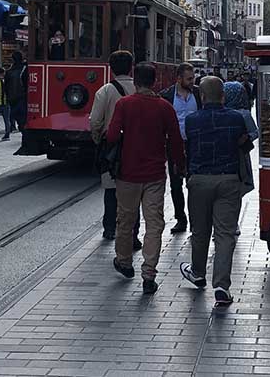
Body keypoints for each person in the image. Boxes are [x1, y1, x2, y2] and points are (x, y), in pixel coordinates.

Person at [105, 62, 185, 295]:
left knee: (126, 220)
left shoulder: (124, 105)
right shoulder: (165, 107)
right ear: (154, 81)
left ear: (135, 80)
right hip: (155, 175)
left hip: (127, 174)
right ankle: (149, 274)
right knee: (154, 224)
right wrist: (180, 165)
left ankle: (124, 261)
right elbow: (176, 141)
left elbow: (111, 136)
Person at [180, 77, 247, 306]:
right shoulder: (236, 118)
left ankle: (198, 273)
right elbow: (245, 146)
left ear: (202, 96)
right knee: (225, 235)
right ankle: (221, 286)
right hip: (228, 180)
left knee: (200, 231)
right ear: (223, 96)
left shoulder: (191, 121)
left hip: (199, 180)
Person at [89, 50, 139, 245]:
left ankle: (110, 228)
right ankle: (134, 231)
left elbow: (95, 121)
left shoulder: (105, 91)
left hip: (112, 147)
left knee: (110, 190)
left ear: (111, 69)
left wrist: (98, 139)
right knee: (135, 192)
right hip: (135, 148)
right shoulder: (139, 88)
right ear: (131, 67)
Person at [160, 63, 202, 234]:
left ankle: (195, 221)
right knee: (176, 184)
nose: (193, 81)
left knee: (194, 184)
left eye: (193, 78)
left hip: (195, 145)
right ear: (178, 79)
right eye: (189, 78)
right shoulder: (167, 96)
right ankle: (180, 219)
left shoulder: (199, 94)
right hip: (175, 145)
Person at [5, 51, 28, 133]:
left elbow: (6, 87)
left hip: (13, 99)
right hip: (22, 98)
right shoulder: (25, 68)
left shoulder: (9, 71)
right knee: (23, 122)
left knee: (19, 120)